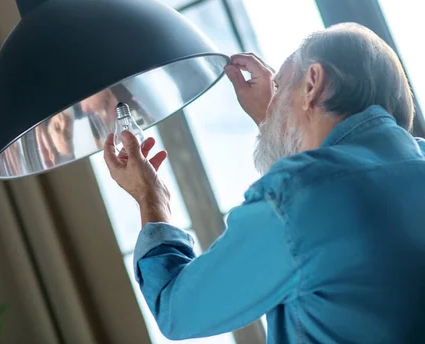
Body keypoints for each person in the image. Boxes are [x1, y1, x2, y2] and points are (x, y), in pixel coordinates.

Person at [103, 23, 425, 343]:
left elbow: (176, 310)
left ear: (312, 83)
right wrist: (277, 120)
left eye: (281, 86)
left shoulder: (297, 196)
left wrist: (151, 197)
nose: (272, 102)